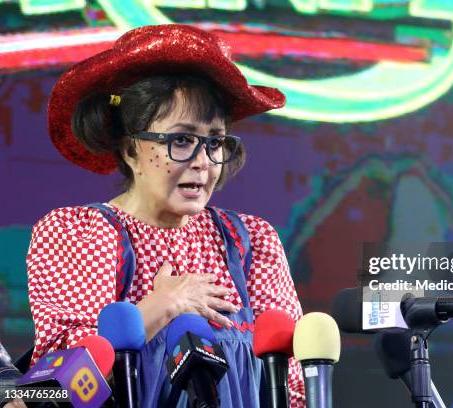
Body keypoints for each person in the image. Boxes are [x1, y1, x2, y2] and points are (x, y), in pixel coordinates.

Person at [26, 24, 304, 407]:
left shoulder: (251, 240)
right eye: (182, 140)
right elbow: (58, 386)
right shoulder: (79, 233)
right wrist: (162, 307)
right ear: (130, 149)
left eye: (215, 141)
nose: (204, 162)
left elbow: (292, 383)